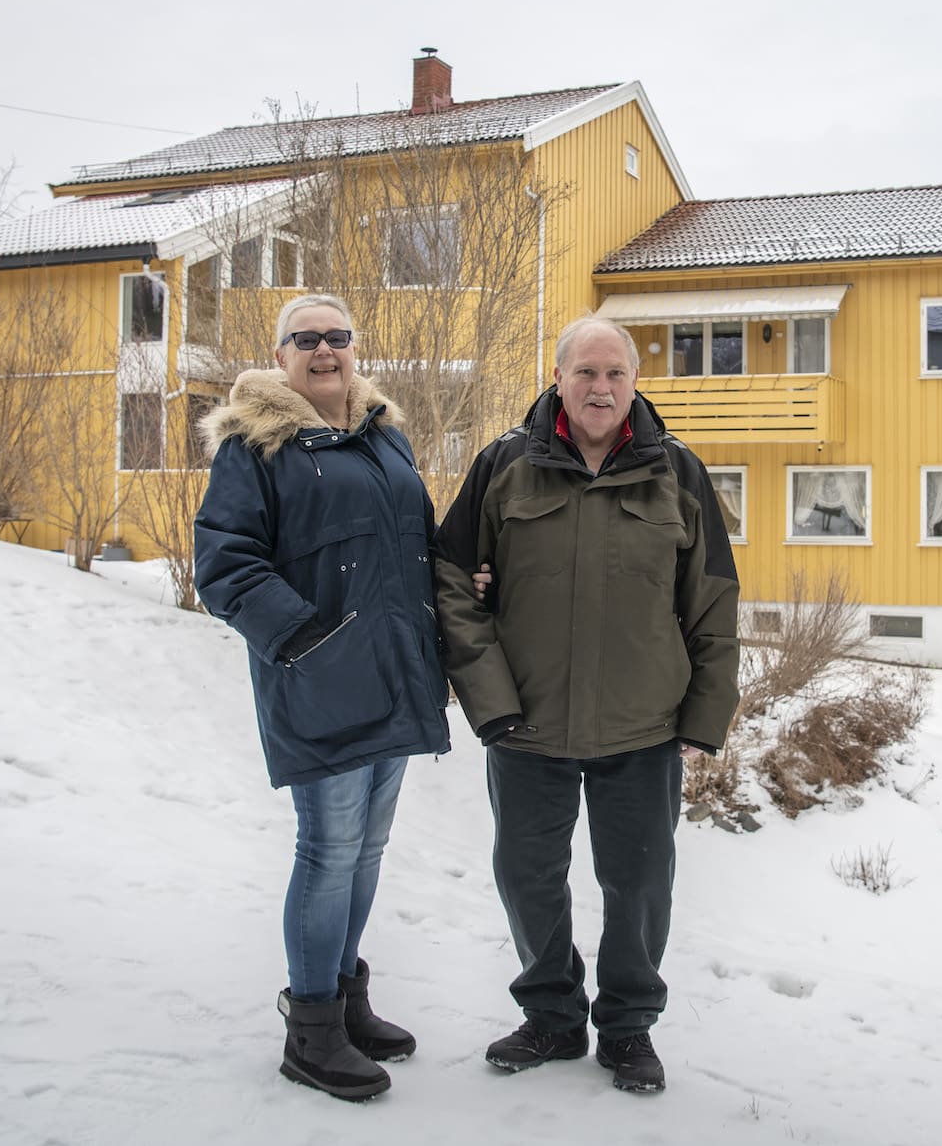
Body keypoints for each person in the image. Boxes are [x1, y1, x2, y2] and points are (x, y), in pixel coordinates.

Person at [432, 314, 741, 1094]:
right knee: (527, 872)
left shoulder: (678, 472)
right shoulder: (504, 464)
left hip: (642, 726)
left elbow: (712, 600)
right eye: (586, 372)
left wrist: (704, 719)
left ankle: (629, 1027)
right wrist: (489, 699)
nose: (601, 387)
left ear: (634, 382)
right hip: (526, 722)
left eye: (615, 374)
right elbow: (449, 580)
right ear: (559, 376)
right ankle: (553, 1015)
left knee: (639, 882)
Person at [194, 292, 451, 1103]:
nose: (325, 350)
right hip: (320, 678)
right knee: (329, 849)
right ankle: (310, 1031)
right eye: (306, 339)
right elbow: (226, 564)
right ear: (281, 356)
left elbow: (415, 543)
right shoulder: (254, 445)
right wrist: (305, 642)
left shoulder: (384, 437)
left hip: (397, 672)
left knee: (367, 851)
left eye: (338, 337)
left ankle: (342, 999)